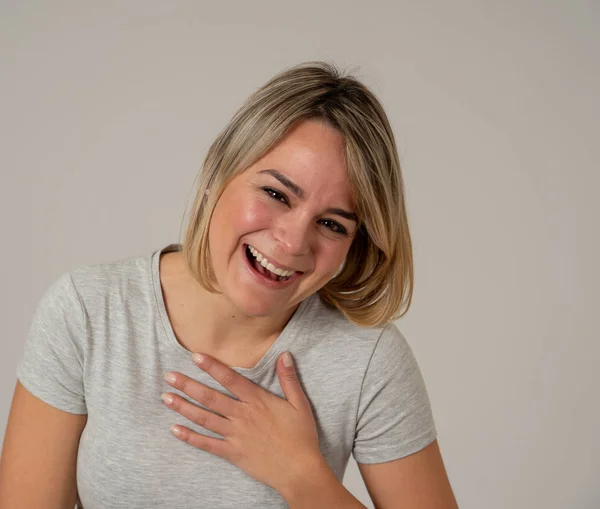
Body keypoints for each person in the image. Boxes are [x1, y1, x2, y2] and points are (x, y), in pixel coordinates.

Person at [0, 61, 458, 508]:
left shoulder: (368, 361)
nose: (293, 241)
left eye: (332, 224)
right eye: (276, 194)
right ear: (218, 175)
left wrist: (303, 477)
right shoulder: (87, 313)